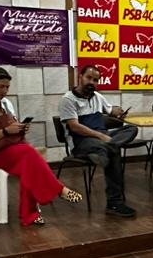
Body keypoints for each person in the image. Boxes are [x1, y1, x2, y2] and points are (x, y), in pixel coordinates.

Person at [0, 66, 83, 227]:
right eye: (1, 87)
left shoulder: (6, 103)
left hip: (9, 147)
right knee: (29, 153)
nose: (5, 91)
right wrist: (7, 131)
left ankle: (30, 214)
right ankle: (58, 190)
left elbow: (13, 125)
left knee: (29, 161)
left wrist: (20, 128)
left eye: (7, 87)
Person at [58, 64, 137, 218]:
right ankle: (115, 203)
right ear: (80, 77)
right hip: (81, 141)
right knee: (112, 149)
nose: (92, 82)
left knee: (131, 129)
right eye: (89, 78)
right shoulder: (68, 100)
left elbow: (110, 111)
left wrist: (118, 113)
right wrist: (101, 136)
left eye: (96, 80)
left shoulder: (97, 97)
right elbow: (74, 127)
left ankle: (101, 152)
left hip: (103, 138)